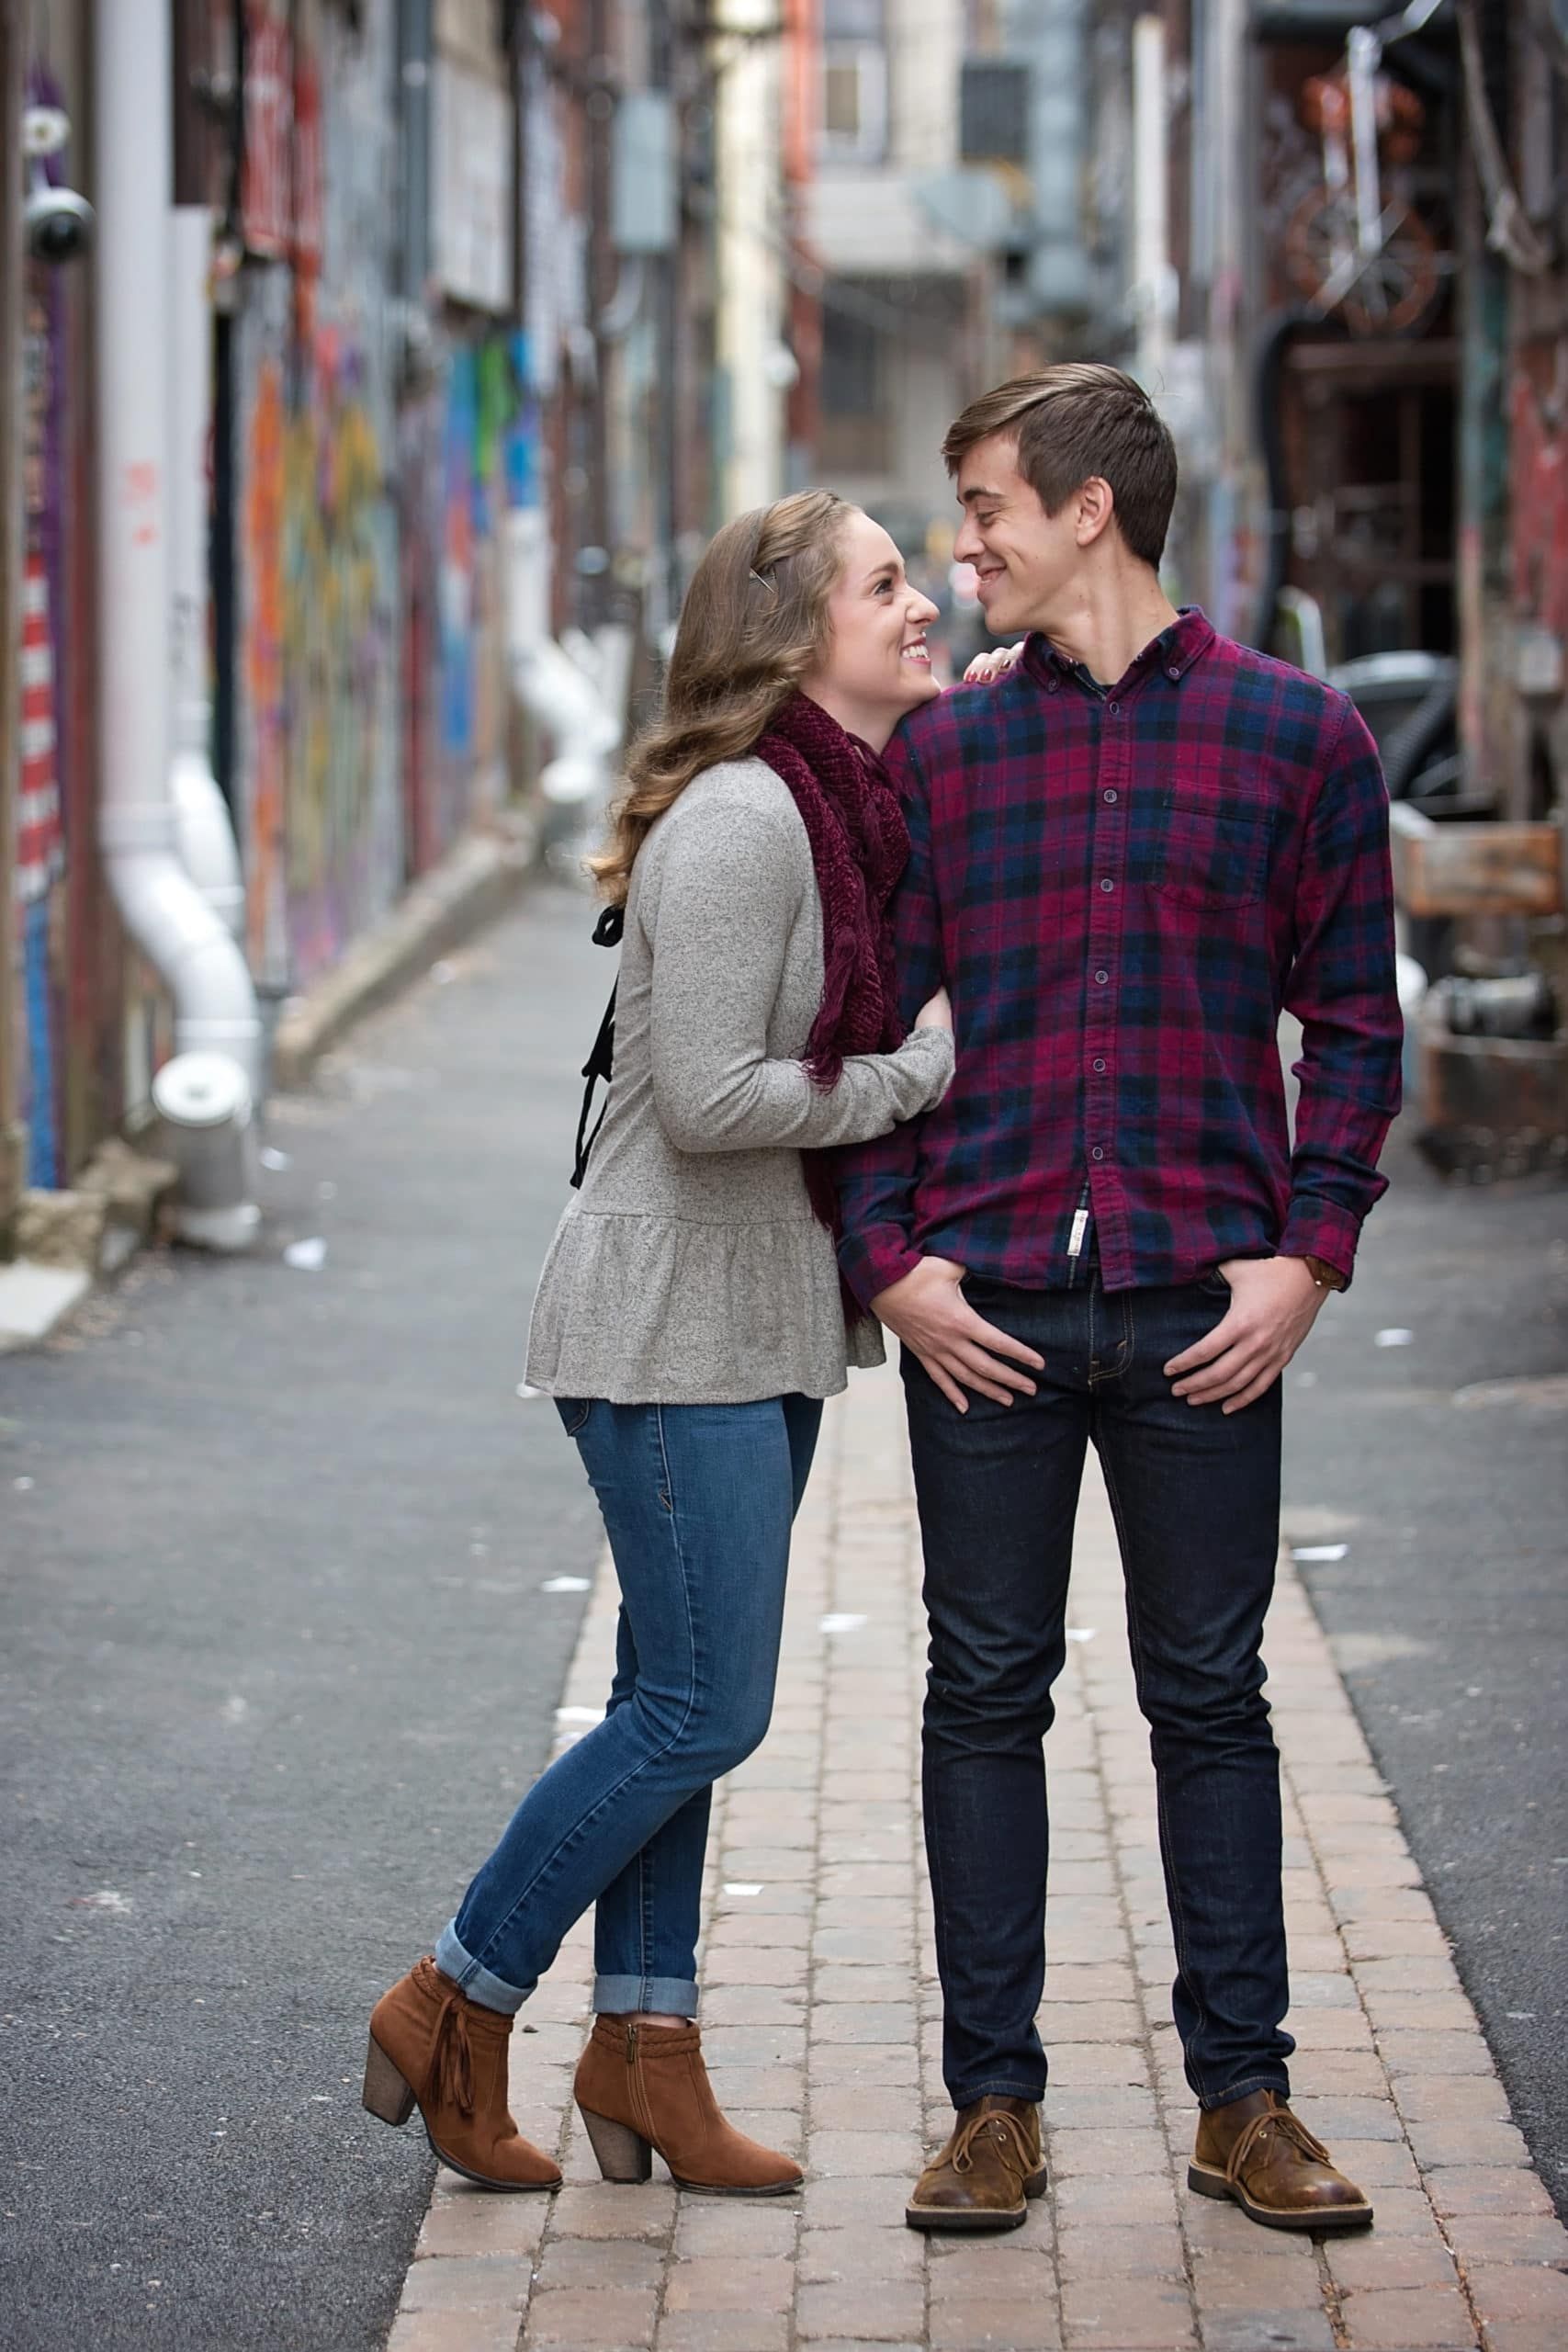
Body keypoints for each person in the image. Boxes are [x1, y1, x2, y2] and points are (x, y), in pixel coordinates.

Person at [833, 365, 1402, 2237]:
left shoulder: (1296, 737)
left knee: (1207, 1698)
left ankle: (1243, 2097)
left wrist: (1308, 1253)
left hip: (1196, 1309)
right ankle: (989, 2103)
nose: (961, 543)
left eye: (985, 503)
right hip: (982, 1301)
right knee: (980, 1693)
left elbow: (1354, 1023)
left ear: (1088, 508)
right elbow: (869, 1027)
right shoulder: (942, 756)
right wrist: (892, 1262)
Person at [363, 489, 954, 2199]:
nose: (918, 604)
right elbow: (706, 1103)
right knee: (703, 1707)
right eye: (885, 584)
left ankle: (648, 2057)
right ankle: (452, 2000)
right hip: (669, 1314)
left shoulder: (835, 807)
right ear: (794, 630)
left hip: (749, 1313)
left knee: (666, 1697)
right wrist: (926, 1062)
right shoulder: (750, 821)